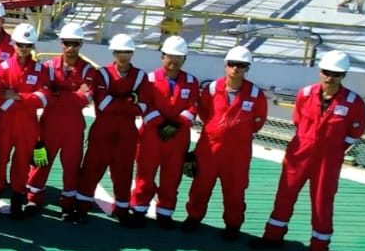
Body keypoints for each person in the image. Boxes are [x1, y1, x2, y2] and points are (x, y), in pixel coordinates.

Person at [254, 50, 365, 251]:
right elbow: (298, 121)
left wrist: (332, 149)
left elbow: (354, 132)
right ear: (320, 71)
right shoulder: (305, 94)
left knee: (322, 203)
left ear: (343, 75)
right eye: (326, 72)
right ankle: (272, 237)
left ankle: (318, 249)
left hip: (328, 159)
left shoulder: (354, 102)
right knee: (284, 195)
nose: (329, 77)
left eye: (335, 74)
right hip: (299, 153)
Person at [183, 46, 267, 239]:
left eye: (241, 65)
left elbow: (258, 121)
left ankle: (232, 225)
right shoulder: (212, 89)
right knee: (200, 186)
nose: (235, 68)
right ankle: (193, 217)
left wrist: (235, 133)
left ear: (247, 68)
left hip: (238, 153)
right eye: (232, 64)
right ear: (225, 65)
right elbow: (204, 113)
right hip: (209, 148)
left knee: (235, 190)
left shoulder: (255, 94)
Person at [130, 36, 199, 229]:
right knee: (145, 174)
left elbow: (194, 105)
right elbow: (144, 103)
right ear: (162, 56)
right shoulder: (149, 79)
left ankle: (165, 213)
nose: (174, 61)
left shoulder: (191, 82)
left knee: (172, 176)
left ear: (184, 59)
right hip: (151, 136)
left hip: (178, 137)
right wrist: (160, 123)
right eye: (170, 56)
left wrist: (178, 124)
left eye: (179, 57)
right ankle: (139, 209)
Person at [27, 24, 95, 219]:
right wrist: (73, 94)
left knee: (72, 165)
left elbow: (87, 98)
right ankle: (33, 198)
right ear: (61, 43)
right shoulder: (48, 67)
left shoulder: (88, 70)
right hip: (49, 124)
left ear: (81, 44)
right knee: (41, 161)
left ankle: (67, 203)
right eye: (67, 43)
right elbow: (45, 94)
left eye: (75, 44)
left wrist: (58, 93)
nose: (70, 48)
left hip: (73, 127)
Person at [76, 33, 145, 223]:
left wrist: (118, 101)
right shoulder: (103, 74)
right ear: (113, 53)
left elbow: (143, 107)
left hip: (127, 133)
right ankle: (81, 206)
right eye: (119, 52)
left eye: (127, 52)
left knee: (123, 171)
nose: (123, 56)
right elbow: (103, 104)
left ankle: (122, 209)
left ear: (132, 53)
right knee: (92, 168)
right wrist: (129, 101)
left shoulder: (141, 76)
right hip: (103, 130)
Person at [0, 23, 50, 217]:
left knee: (22, 163)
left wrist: (17, 96)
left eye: (28, 45)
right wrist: (28, 98)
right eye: (20, 44)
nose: (24, 48)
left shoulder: (40, 70)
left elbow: (43, 98)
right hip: (4, 122)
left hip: (27, 124)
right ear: (13, 44)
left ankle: (17, 204)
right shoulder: (3, 68)